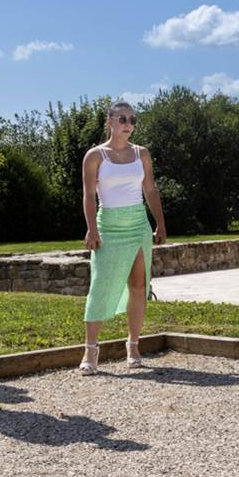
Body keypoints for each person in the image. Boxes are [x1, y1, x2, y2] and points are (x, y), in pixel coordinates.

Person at [79, 100, 167, 374]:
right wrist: (92, 228)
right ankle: (90, 351)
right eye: (122, 119)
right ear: (109, 122)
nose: (128, 125)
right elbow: (88, 195)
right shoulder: (95, 156)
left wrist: (160, 224)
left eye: (132, 120)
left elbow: (150, 190)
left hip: (138, 224)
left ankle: (133, 345)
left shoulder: (142, 153)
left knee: (139, 286)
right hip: (109, 226)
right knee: (101, 285)